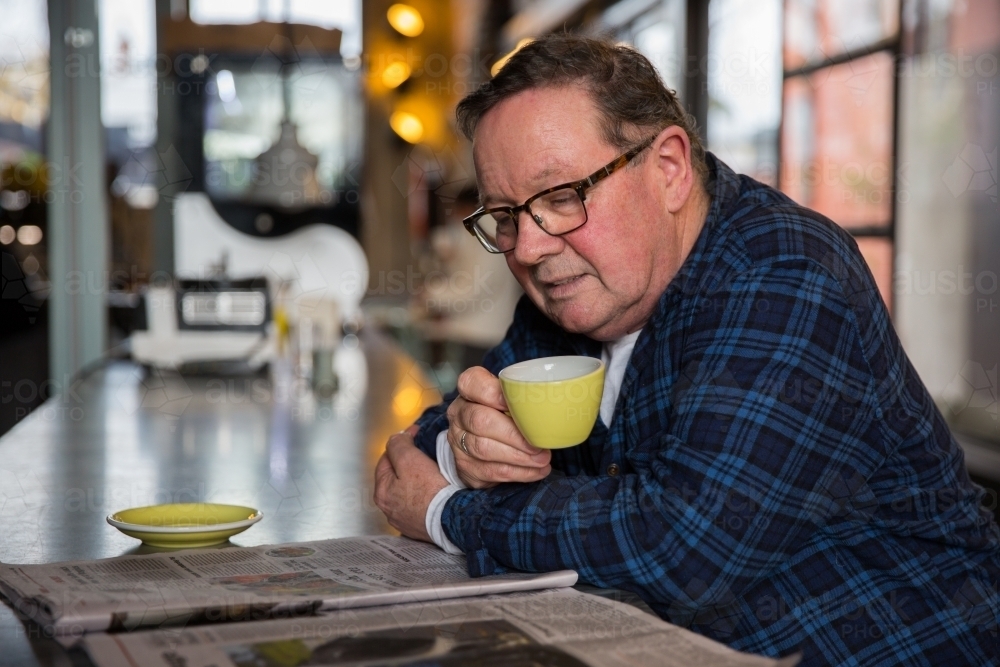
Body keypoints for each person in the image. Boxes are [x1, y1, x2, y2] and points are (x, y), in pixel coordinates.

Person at [373, 34, 999, 665]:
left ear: (668, 169)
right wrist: (467, 447)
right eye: (505, 216)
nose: (529, 248)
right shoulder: (575, 289)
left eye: (562, 197)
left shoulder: (786, 273)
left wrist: (451, 512)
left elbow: (683, 547)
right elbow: (418, 450)